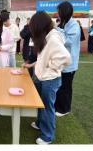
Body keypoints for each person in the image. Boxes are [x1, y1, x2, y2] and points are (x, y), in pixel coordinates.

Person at [23, 11, 71, 145]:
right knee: (41, 104)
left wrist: (49, 66)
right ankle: (40, 123)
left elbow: (65, 58)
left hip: (50, 79)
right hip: (42, 77)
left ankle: (47, 136)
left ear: (40, 25)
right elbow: (43, 57)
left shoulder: (53, 38)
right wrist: (32, 64)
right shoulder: (46, 36)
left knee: (47, 107)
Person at [54, 1, 80, 117]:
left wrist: (58, 30)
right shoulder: (63, 23)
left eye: (59, 12)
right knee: (60, 85)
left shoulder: (74, 25)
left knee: (66, 86)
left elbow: (68, 41)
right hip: (61, 60)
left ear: (64, 12)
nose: (58, 14)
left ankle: (65, 109)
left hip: (69, 63)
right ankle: (59, 106)